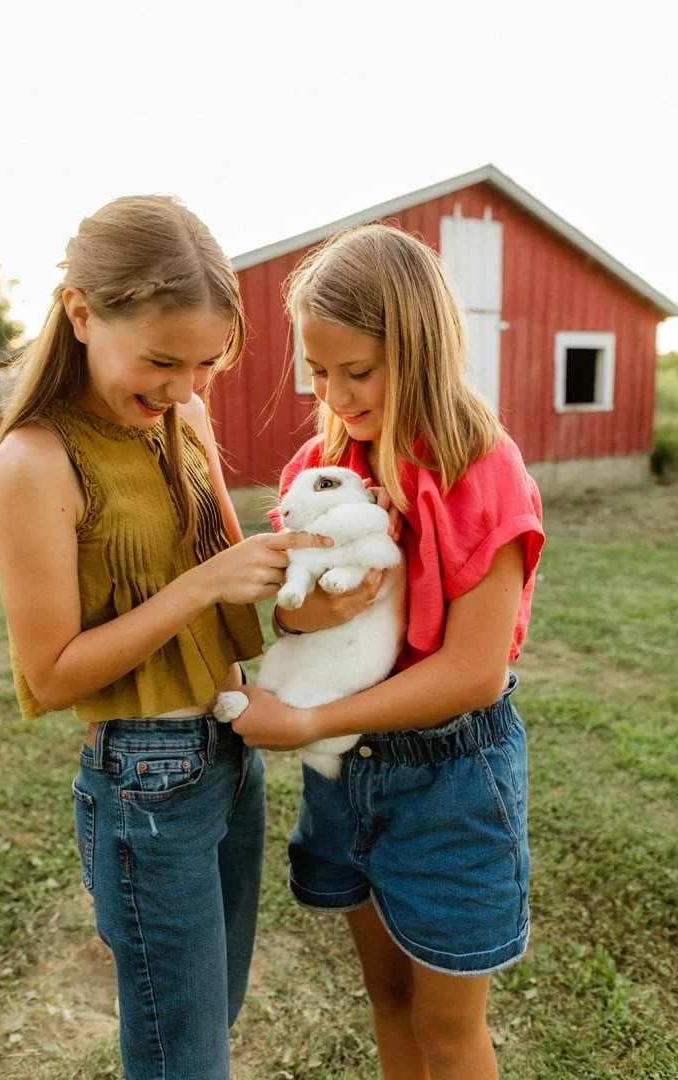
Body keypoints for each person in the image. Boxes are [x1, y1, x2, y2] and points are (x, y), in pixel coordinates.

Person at [0, 194, 344, 1080]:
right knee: (182, 1055)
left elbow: (244, 611)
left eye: (204, 364)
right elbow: (53, 673)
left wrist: (318, 574)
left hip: (232, 750)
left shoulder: (185, 420)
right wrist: (204, 584)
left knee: (210, 1023)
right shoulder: (33, 462)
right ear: (79, 313)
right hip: (145, 781)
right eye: (159, 360)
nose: (183, 388)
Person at [230, 223, 545, 1080]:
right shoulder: (323, 464)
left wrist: (308, 722)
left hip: (448, 783)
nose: (332, 395)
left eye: (355, 371)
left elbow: (473, 674)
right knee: (387, 998)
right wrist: (309, 615)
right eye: (318, 372)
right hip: (347, 780)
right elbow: (291, 622)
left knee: (447, 1028)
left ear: (419, 346)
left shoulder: (482, 468)